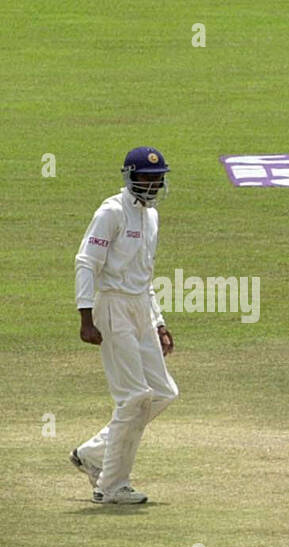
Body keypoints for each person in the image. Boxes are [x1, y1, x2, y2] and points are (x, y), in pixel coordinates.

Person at [70, 146, 179, 505]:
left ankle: (93, 453)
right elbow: (86, 262)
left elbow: (145, 277)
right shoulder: (111, 212)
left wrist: (159, 323)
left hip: (139, 309)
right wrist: (85, 316)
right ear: (130, 178)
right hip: (112, 305)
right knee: (133, 397)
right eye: (146, 177)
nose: (152, 183)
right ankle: (112, 485)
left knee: (162, 392)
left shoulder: (152, 218)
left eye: (158, 177)